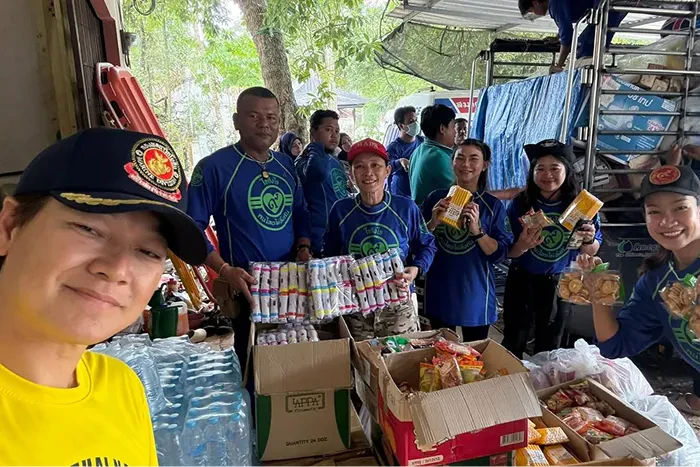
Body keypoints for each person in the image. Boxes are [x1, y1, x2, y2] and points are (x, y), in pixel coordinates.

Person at [0, 128, 208, 465]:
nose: (117, 269)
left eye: (148, 251)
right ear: (10, 227)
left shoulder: (120, 386)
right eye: (89, 229)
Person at [187, 86, 312, 364]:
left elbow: (300, 212)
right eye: (254, 116)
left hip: (292, 284)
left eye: (271, 117)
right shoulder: (214, 167)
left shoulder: (286, 165)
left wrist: (303, 247)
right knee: (256, 368)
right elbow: (191, 227)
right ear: (236, 121)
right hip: (247, 289)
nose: (264, 124)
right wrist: (224, 270)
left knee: (298, 362)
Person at [578, 165, 700, 416]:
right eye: (654, 211)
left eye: (680, 208)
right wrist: (599, 292)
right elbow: (615, 345)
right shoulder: (656, 282)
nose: (666, 221)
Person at [324, 138, 437, 338]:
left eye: (375, 165)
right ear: (351, 174)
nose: (368, 172)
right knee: (358, 357)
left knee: (402, 356)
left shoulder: (406, 208)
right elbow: (330, 255)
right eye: (360, 166)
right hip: (355, 307)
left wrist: (415, 269)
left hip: (398, 306)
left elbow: (427, 245)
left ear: (387, 171)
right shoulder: (340, 210)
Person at [502, 140, 602, 358]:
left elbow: (591, 251)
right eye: (540, 169)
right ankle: (511, 377)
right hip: (522, 278)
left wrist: (589, 239)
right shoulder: (521, 203)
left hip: (561, 281)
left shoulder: (582, 205)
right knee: (514, 338)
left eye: (555, 168)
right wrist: (522, 245)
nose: (547, 175)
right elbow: (507, 250)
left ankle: (545, 380)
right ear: (532, 173)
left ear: (567, 171)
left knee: (551, 344)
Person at [422, 139, 513, 340]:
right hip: (440, 292)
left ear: (485, 165)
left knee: (475, 355)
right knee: (441, 354)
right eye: (460, 158)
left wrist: (478, 231)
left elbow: (501, 253)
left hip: (476, 296)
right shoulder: (435, 199)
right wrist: (433, 223)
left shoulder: (492, 206)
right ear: (452, 162)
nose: (466, 165)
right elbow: (416, 243)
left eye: (473, 159)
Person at [295, 109, 350, 254]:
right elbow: (318, 172)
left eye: (337, 131)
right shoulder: (303, 162)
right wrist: (315, 146)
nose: (334, 135)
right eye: (328, 130)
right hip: (318, 240)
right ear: (313, 132)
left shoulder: (335, 161)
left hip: (341, 235)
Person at [518, 0, 626, 70]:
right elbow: (565, 26)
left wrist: (559, 65)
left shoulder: (554, 5)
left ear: (535, 3)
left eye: (532, 11)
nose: (534, 14)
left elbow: (567, 38)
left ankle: (595, 83)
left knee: (586, 49)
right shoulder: (555, 4)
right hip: (608, 7)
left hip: (608, 7)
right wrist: (557, 37)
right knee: (582, 46)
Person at [409, 104, 457, 205]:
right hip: (433, 213)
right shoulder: (438, 157)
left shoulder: (419, 150)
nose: (455, 132)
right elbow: (462, 190)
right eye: (453, 127)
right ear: (442, 129)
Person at [386, 106, 423, 198]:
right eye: (411, 121)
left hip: (419, 192)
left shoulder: (422, 142)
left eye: (416, 120)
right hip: (401, 195)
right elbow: (386, 168)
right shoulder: (394, 147)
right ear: (402, 125)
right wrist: (400, 161)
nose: (415, 123)